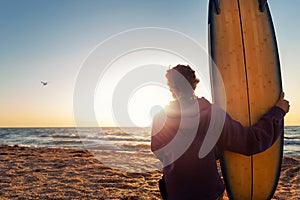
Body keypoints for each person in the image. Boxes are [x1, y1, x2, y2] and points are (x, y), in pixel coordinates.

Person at [151, 64, 290, 200]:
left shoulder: (160, 119)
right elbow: (251, 141)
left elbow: (158, 149)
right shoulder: (213, 115)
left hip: (176, 193)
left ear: (171, 88)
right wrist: (278, 111)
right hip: (208, 193)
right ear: (194, 84)